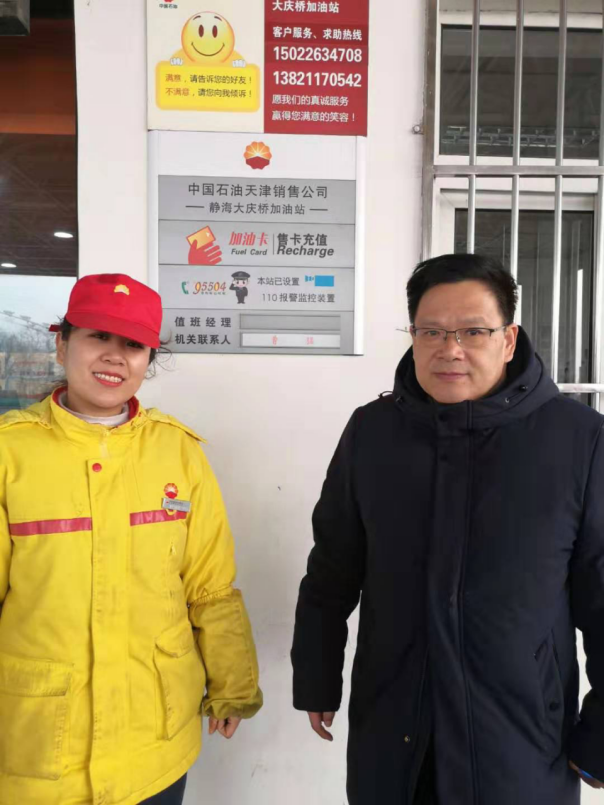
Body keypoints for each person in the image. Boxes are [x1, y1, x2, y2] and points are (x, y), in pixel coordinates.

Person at [291, 254, 604, 805]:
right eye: (431, 331)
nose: (450, 349)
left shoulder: (579, 440)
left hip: (522, 738)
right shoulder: (373, 432)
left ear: (508, 340)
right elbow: (331, 570)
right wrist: (317, 675)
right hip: (393, 723)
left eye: (473, 332)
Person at [0, 273, 262, 805]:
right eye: (97, 336)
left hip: (155, 741)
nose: (114, 357)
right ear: (62, 345)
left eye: (133, 345)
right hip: (39, 746)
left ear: (148, 360)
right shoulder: (10, 454)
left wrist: (233, 683)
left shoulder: (178, 452)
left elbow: (209, 583)